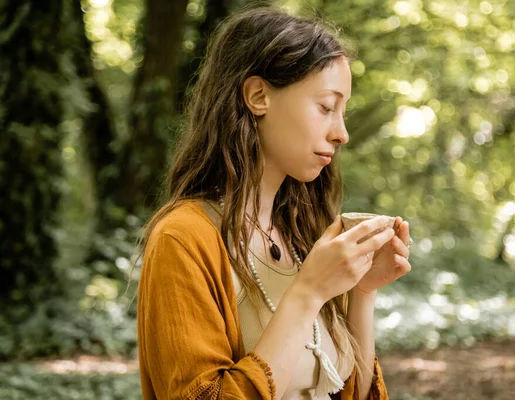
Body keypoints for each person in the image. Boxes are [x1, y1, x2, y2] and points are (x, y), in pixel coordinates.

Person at [136, 6, 413, 400]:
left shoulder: (303, 235)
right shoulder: (182, 239)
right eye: (326, 107)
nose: (342, 133)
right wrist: (308, 292)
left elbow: (355, 394)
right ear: (258, 96)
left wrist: (363, 292)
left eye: (343, 111)